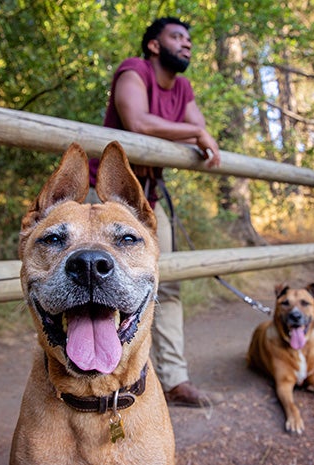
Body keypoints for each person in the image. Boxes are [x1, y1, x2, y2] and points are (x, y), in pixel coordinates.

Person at [88, 17, 222, 408]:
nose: (187, 45)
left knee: (170, 283)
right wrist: (195, 134)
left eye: (189, 39)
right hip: (103, 200)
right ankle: (97, 377)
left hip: (148, 203)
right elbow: (139, 122)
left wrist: (197, 131)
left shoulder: (182, 87)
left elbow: (199, 126)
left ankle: (174, 379)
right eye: (177, 37)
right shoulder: (135, 70)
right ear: (153, 45)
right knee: (104, 285)